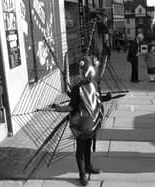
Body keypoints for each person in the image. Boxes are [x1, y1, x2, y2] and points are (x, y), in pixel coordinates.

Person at [52, 56, 111, 186]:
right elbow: (72, 106)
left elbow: (97, 99)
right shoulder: (77, 88)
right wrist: (59, 108)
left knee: (88, 145)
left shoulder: (94, 84)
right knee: (80, 149)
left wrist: (105, 98)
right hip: (81, 124)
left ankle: (88, 166)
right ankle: (82, 174)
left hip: (92, 122)